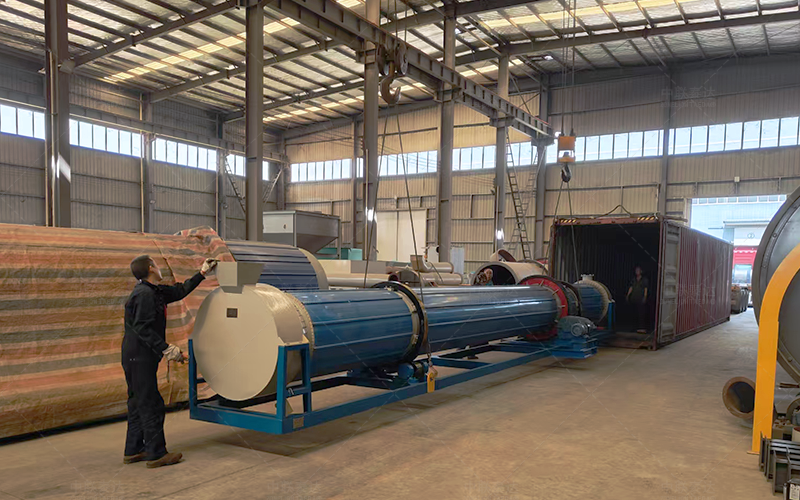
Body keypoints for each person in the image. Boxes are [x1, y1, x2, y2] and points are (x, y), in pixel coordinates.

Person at [122, 255, 217, 468]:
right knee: (151, 403)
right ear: (150, 268)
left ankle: (133, 450)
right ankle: (156, 454)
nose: (159, 267)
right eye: (156, 264)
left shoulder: (153, 291)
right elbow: (142, 328)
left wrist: (202, 273)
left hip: (137, 356)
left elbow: (179, 291)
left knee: (137, 401)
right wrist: (167, 349)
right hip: (138, 356)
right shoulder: (144, 294)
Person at [626, 266, 649, 333]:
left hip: (640, 298)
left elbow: (646, 289)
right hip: (634, 298)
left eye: (638, 270)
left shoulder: (644, 280)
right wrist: (628, 295)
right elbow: (631, 287)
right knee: (634, 313)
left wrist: (645, 297)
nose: (637, 272)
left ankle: (641, 327)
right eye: (636, 270)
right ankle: (634, 327)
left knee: (641, 314)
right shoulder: (634, 279)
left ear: (641, 271)